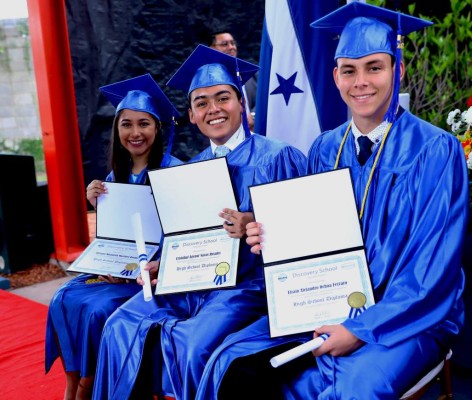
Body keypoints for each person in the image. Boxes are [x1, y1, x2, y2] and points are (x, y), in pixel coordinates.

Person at [195, 2, 470, 399]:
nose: (361, 82)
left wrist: (360, 328)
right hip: (324, 302)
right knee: (229, 360)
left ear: (399, 70)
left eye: (374, 67)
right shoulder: (325, 149)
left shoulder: (435, 150)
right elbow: (308, 237)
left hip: (410, 315)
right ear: (335, 77)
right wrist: (268, 234)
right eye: (349, 70)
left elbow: (432, 269)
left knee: (348, 387)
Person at [91, 44, 307, 400]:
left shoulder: (278, 157)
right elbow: (186, 237)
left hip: (249, 287)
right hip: (194, 280)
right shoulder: (192, 168)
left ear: (241, 103)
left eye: (223, 98)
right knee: (119, 324)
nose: (213, 109)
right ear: (191, 115)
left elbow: (305, 231)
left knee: (192, 345)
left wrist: (256, 221)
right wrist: (166, 263)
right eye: (201, 103)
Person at [44, 73, 182, 400]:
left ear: (158, 127)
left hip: (152, 276)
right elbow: (111, 238)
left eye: (144, 123)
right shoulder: (112, 177)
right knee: (64, 297)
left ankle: (90, 384)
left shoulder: (174, 172)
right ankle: (72, 383)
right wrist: (96, 203)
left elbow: (179, 238)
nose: (135, 133)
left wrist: (147, 267)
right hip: (115, 271)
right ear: (116, 130)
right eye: (126, 124)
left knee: (96, 309)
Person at [208, 29, 258, 131]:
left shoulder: (250, 74)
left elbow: (262, 100)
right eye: (224, 44)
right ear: (212, 48)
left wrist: (252, 116)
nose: (231, 47)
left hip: (255, 133)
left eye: (232, 43)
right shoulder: (206, 80)